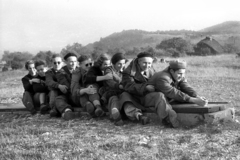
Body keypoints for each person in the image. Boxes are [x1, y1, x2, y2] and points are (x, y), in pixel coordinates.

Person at [121, 52, 181, 127]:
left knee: (160, 95)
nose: (147, 65)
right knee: (125, 97)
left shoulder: (151, 69)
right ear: (139, 61)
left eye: (149, 63)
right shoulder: (128, 72)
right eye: (144, 63)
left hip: (146, 96)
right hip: (134, 98)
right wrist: (145, 87)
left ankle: (167, 118)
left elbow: (156, 79)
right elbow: (129, 86)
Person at [102, 53, 127, 125]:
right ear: (113, 63)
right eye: (119, 64)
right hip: (110, 92)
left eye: (123, 63)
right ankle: (116, 117)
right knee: (114, 99)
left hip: (122, 92)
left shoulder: (124, 71)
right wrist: (119, 86)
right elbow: (110, 81)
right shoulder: (108, 70)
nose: (122, 66)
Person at [53, 52, 79, 120]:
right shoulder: (61, 72)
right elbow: (66, 86)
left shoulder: (80, 70)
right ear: (66, 62)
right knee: (59, 99)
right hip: (68, 95)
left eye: (75, 61)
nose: (73, 64)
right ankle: (67, 111)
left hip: (79, 94)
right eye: (71, 62)